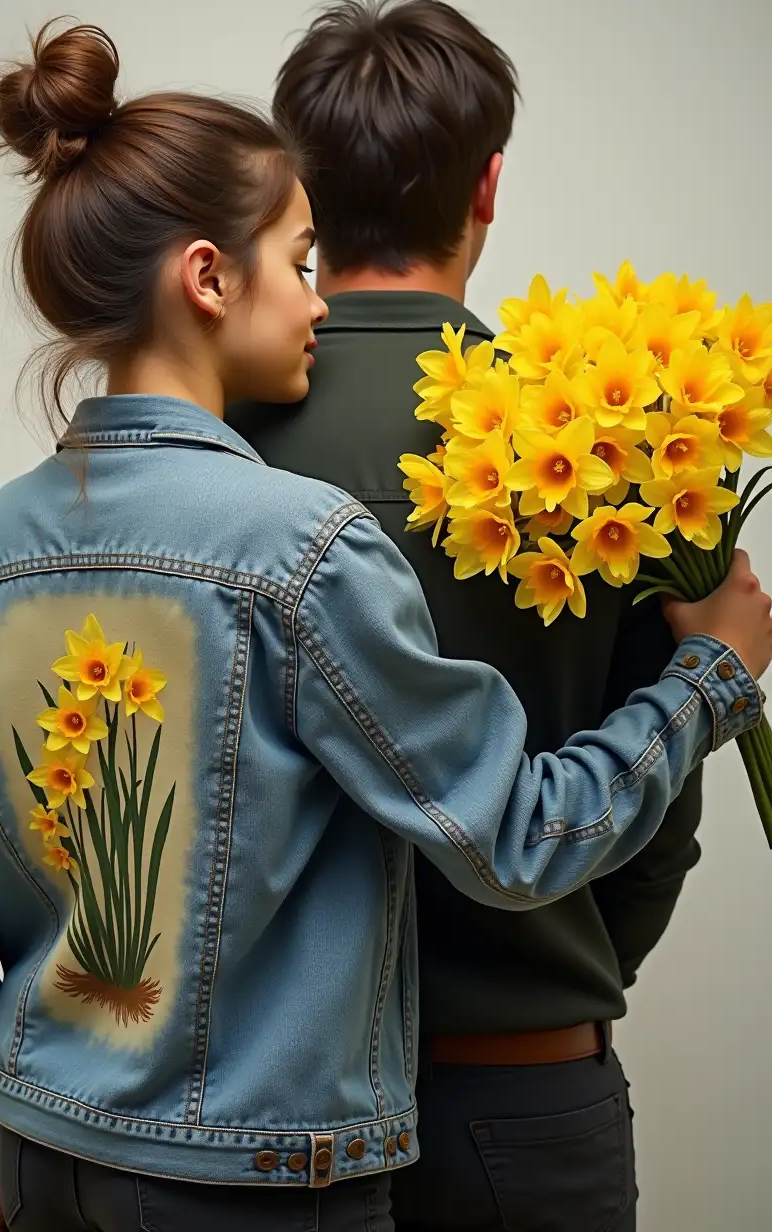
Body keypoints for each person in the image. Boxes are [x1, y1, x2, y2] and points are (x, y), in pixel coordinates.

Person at [0, 19, 769, 1232]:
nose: (313, 301)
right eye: (295, 265)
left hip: (54, 1150)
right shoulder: (314, 539)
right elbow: (522, 833)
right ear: (207, 275)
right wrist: (714, 674)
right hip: (287, 1158)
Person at [227, 3, 733, 1229]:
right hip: (525, 1088)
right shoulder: (616, 442)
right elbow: (657, 813)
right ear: (490, 184)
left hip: (263, 1112)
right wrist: (555, 967)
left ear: (301, 186)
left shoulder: (216, 435)